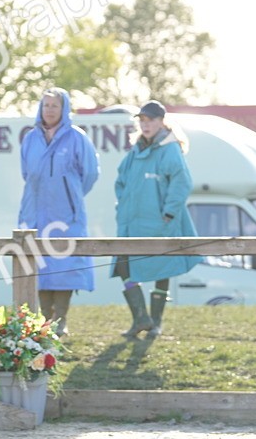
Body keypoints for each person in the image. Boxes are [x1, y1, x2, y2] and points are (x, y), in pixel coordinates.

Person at [112, 100, 202, 340]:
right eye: (142, 120)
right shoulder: (136, 150)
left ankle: (156, 323)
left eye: (150, 120)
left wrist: (170, 212)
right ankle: (141, 318)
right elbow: (120, 180)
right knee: (123, 265)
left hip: (160, 221)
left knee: (164, 266)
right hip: (131, 221)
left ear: (162, 121)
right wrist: (123, 205)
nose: (146, 124)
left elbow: (182, 182)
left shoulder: (170, 149)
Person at [17, 87, 100, 337]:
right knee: (39, 265)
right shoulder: (31, 138)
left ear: (64, 109)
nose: (49, 110)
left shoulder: (77, 138)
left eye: (54, 105)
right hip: (35, 211)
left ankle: (61, 320)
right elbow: (26, 173)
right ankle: (44, 321)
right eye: (45, 105)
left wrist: (70, 195)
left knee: (65, 267)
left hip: (66, 215)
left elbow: (91, 173)